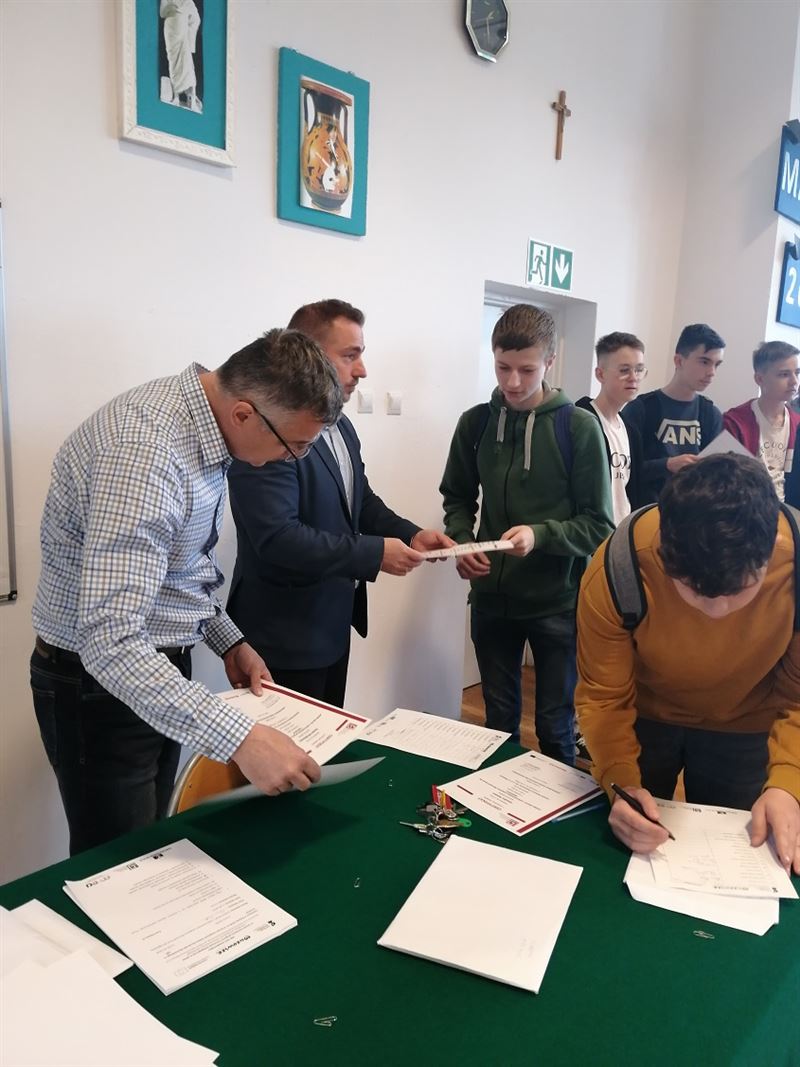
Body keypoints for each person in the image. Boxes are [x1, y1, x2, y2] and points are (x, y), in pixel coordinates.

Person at [31, 329, 343, 854]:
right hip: (101, 684)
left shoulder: (202, 428)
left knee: (154, 844)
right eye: (294, 445)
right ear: (244, 413)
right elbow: (110, 642)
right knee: (120, 866)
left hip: (150, 671)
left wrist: (227, 639)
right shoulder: (145, 453)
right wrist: (242, 739)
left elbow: (180, 565)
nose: (293, 459)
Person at [576, 454, 800, 874]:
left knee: (737, 861)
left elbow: (798, 699)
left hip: (748, 724)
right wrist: (620, 780)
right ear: (664, 552)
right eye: (694, 590)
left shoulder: (796, 567)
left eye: (739, 590)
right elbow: (603, 698)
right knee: (626, 846)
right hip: (642, 719)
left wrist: (788, 782)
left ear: (770, 552)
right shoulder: (618, 566)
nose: (716, 610)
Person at [227, 299, 453, 708]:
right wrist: (375, 554)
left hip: (331, 624)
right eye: (350, 355)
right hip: (281, 635)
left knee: (328, 742)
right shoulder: (268, 429)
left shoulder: (341, 425)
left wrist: (411, 534)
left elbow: (359, 500)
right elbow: (278, 538)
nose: (362, 370)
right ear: (307, 355)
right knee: (285, 747)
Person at [440, 304, 614, 763]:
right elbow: (456, 497)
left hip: (557, 604)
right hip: (491, 601)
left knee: (556, 729)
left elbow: (599, 524)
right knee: (497, 725)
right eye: (503, 367)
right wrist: (462, 541)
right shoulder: (475, 422)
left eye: (527, 370)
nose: (513, 382)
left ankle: (556, 810)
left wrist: (540, 535)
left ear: (550, 362)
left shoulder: (578, 427)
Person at [621, 323, 725, 502]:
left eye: (717, 364)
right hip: (647, 510)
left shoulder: (711, 414)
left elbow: (716, 476)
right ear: (679, 361)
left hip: (695, 511)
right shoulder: (641, 408)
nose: (712, 372)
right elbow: (621, 470)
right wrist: (667, 464)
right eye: (704, 362)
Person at [576, 332, 647, 522]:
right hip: (591, 533)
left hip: (621, 532)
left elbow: (634, 493)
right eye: (624, 370)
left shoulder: (631, 430)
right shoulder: (579, 421)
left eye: (639, 370)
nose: (633, 377)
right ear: (600, 374)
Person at [723, 340, 800, 507]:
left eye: (797, 373)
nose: (794, 381)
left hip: (789, 509)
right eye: (784, 374)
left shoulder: (797, 422)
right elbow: (728, 482)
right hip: (749, 509)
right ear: (759, 379)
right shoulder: (734, 422)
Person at [160, 0, 202, 112]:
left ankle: (191, 97)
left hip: (182, 32)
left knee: (186, 63)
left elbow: (196, 19)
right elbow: (162, 13)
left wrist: (190, 37)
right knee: (173, 62)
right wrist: (172, 8)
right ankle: (177, 97)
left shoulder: (188, 1)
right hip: (170, 30)